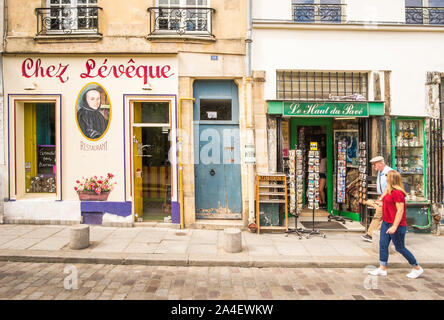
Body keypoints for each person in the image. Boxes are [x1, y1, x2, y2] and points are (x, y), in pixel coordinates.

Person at [369, 170, 424, 278]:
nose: (385, 179)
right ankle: (382, 268)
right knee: (383, 245)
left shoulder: (398, 193)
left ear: (391, 179)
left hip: (397, 224)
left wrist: (394, 226)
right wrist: (379, 202)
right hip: (386, 222)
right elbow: (384, 200)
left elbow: (400, 211)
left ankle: (417, 267)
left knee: (400, 248)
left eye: (387, 177)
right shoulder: (389, 190)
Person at [361, 156, 393, 243]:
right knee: (380, 216)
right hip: (381, 197)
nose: (373, 167)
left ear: (381, 163)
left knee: (380, 216)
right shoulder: (380, 172)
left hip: (387, 198)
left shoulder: (389, 172)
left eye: (375, 165)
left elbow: (389, 187)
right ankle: (372, 234)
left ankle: (371, 234)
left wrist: (381, 198)